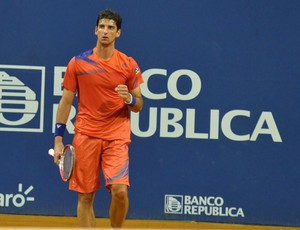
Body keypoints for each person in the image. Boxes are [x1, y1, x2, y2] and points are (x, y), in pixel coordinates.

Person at [53, 8, 144, 228]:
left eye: (111, 28)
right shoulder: (78, 63)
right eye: (102, 27)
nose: (105, 31)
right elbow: (66, 102)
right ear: (95, 30)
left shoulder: (128, 65)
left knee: (120, 192)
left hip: (116, 136)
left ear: (118, 33)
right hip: (86, 134)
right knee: (85, 197)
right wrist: (58, 139)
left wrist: (129, 100)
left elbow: (139, 104)